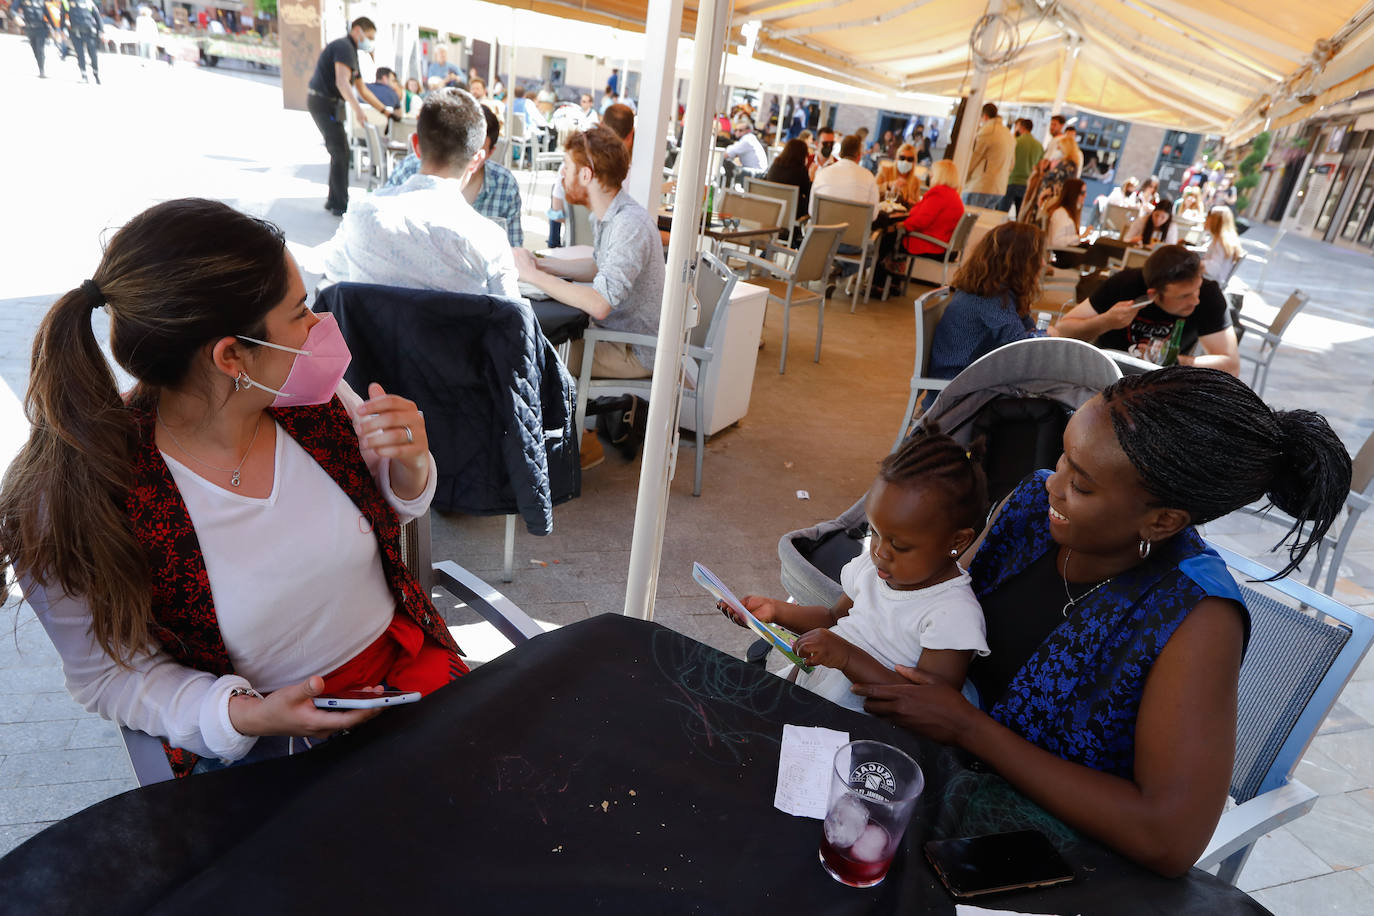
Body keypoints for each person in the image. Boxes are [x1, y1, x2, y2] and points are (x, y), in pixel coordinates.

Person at [0, 198, 464, 777]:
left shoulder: (315, 402)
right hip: (268, 756)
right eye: (300, 312)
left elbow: (389, 507)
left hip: (408, 680)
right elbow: (108, 675)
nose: (321, 327)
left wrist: (411, 465)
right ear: (231, 356)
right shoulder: (89, 492)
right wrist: (245, 715)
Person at [855, 366, 1351, 876]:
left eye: (1083, 486)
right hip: (931, 771)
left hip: (1036, 851)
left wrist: (968, 728)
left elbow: (1169, 838)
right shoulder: (1030, 506)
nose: (1055, 486)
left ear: (1162, 521)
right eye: (1066, 456)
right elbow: (928, 605)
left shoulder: (1197, 618)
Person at [723, 431, 990, 713]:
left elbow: (932, 711)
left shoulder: (952, 614)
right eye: (874, 532)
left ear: (957, 541)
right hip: (818, 691)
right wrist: (776, 612)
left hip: (865, 735)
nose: (880, 552)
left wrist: (847, 658)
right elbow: (832, 618)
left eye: (899, 545)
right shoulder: (873, 568)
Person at [323, 89, 520, 299]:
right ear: (477, 159)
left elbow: (333, 274)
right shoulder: (490, 240)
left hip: (370, 333)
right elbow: (512, 317)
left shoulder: (361, 213)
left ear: (415, 146)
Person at [514, 124, 664, 382]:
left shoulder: (629, 224)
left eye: (567, 167)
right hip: (610, 336)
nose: (562, 176)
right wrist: (542, 265)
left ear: (586, 174)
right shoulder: (608, 214)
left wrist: (532, 276)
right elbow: (598, 266)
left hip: (631, 349)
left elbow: (599, 304)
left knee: (529, 352)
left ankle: (548, 423)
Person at [1056, 244, 1240, 374]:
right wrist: (1105, 321)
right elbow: (1062, 330)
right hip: (1104, 369)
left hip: (1159, 384)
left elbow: (1231, 366)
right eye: (1183, 296)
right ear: (1153, 294)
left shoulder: (1209, 295)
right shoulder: (1125, 284)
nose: (1195, 300)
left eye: (1197, 289)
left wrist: (1175, 361)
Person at [927, 222, 1049, 380]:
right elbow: (1022, 351)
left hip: (966, 377)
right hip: (959, 388)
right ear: (1018, 261)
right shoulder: (989, 299)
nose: (1043, 263)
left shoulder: (992, 290)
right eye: (1038, 257)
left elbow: (1026, 334)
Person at [307, 17, 400, 217]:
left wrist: (385, 111)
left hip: (328, 105)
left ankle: (334, 200)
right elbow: (342, 82)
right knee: (341, 152)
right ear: (358, 31)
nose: (370, 42)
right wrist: (358, 110)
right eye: (369, 37)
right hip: (323, 103)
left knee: (338, 152)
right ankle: (340, 204)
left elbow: (363, 90)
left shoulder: (351, 53)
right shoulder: (343, 47)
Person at [811, 133, 879, 221]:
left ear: (839, 153)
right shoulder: (869, 177)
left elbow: (812, 211)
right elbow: (872, 216)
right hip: (853, 233)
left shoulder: (822, 173)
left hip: (823, 232)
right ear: (859, 156)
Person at [964, 103, 1015, 211]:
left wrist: (962, 178)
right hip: (999, 188)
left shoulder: (987, 131)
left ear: (985, 117)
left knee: (967, 222)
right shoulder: (1008, 134)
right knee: (983, 222)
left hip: (981, 186)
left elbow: (973, 158)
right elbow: (1011, 165)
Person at [764, 138, 813, 232]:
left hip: (771, 212)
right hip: (790, 216)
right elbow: (808, 192)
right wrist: (812, 178)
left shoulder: (774, 166)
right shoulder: (800, 170)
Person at [1005, 118, 1043, 214]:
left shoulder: (1015, 141)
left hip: (1012, 181)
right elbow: (1039, 166)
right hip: (1027, 184)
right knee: (1020, 214)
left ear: (1021, 127)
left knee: (1001, 213)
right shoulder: (1039, 146)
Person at [61, 0, 102, 83]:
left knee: (93, 55)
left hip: (89, 33)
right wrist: (63, 30)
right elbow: (62, 17)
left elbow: (97, 16)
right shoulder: (66, 2)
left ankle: (96, 74)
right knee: (80, 55)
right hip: (75, 33)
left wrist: (101, 30)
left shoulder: (88, 2)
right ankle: (84, 75)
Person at [1200, 206, 1244, 283]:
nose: (1205, 220)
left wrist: (1197, 264)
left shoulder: (1221, 242)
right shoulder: (1225, 239)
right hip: (1215, 282)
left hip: (1209, 283)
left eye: (1208, 218)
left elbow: (1214, 268)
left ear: (1214, 221)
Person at [1046, 178, 1089, 251]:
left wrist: (1079, 240)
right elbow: (1056, 241)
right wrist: (1079, 237)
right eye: (1082, 193)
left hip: (1068, 251)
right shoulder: (1061, 213)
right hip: (1066, 253)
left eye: (1085, 192)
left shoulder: (1067, 213)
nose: (1085, 195)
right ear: (1073, 194)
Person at [16, 0, 56, 77]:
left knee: (40, 49)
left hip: (41, 29)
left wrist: (55, 29)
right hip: (30, 29)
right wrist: (16, 17)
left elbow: (48, 15)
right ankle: (40, 66)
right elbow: (13, 9)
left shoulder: (41, 2)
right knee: (35, 49)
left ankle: (42, 70)